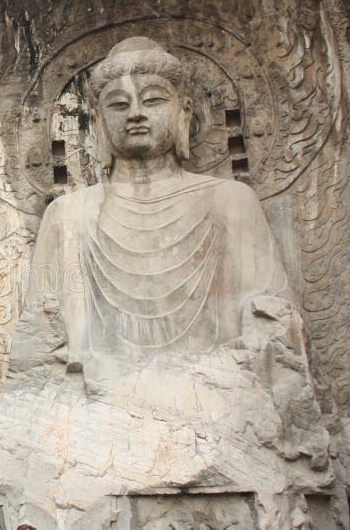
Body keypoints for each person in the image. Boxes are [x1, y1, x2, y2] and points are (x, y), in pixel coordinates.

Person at [26, 36, 290, 361]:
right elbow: (40, 334)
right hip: (98, 392)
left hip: (217, 383)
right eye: (119, 105)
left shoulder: (231, 201)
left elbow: (270, 322)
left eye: (153, 101)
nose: (135, 114)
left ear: (184, 111)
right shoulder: (66, 214)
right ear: (97, 121)